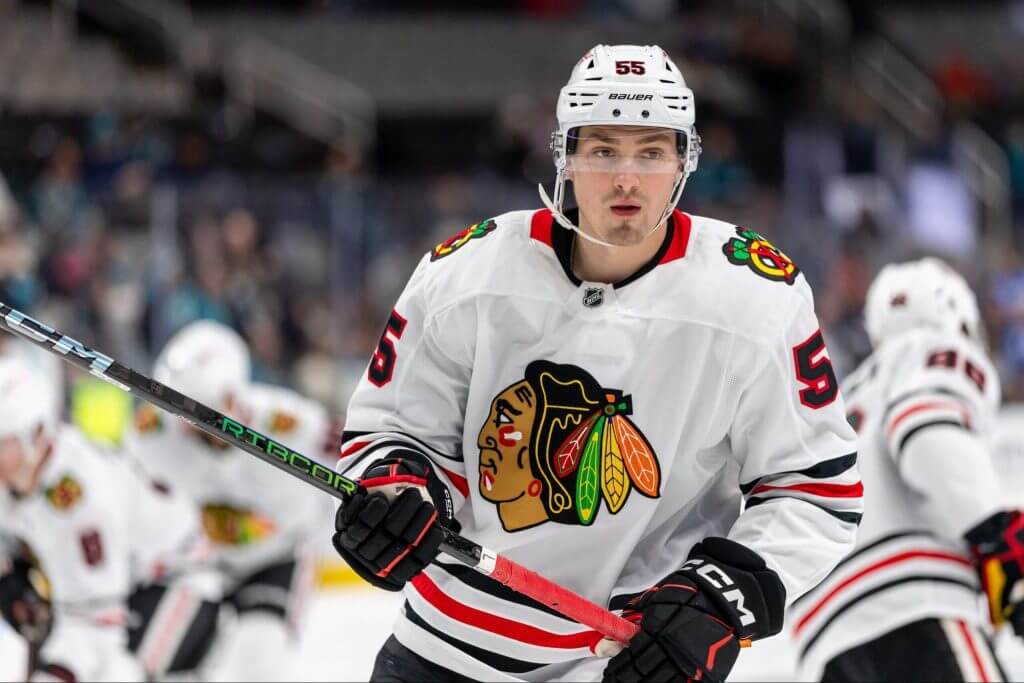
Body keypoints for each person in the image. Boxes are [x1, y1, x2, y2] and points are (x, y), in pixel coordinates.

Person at [331, 44, 862, 682]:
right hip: (442, 653)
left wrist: (718, 601)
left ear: (685, 160)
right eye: (603, 151)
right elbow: (392, 430)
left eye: (651, 152)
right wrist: (395, 489)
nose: (626, 180)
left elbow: (816, 487)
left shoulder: (755, 299)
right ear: (564, 156)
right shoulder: (467, 274)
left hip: (631, 661)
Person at [791, 257, 1023, 682]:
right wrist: (996, 534)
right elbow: (926, 432)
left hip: (825, 637)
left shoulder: (838, 401)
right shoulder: (932, 351)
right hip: (917, 603)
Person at [124, 319, 332, 682]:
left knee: (259, 663)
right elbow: (139, 508)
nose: (186, 423)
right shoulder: (151, 434)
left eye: (199, 409)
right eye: (177, 409)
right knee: (152, 659)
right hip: (197, 565)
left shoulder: (294, 424)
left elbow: (359, 462)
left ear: (233, 396)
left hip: (276, 559)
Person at [0, 355, 213, 682]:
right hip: (102, 589)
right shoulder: (20, 473)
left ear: (37, 434)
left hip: (174, 579)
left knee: (119, 673)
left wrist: (55, 674)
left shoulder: (82, 500)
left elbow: (95, 624)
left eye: (2, 442)